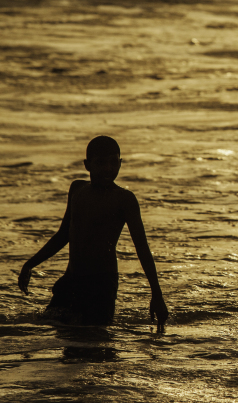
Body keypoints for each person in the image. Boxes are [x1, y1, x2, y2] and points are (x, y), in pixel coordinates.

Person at [18, 136, 169, 332]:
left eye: (114, 162)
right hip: (71, 280)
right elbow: (64, 235)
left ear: (121, 163)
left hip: (101, 286)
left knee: (95, 343)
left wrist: (157, 295)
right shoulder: (77, 190)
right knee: (53, 332)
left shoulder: (124, 199)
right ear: (87, 165)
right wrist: (30, 264)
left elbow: (142, 248)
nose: (108, 168)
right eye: (101, 163)